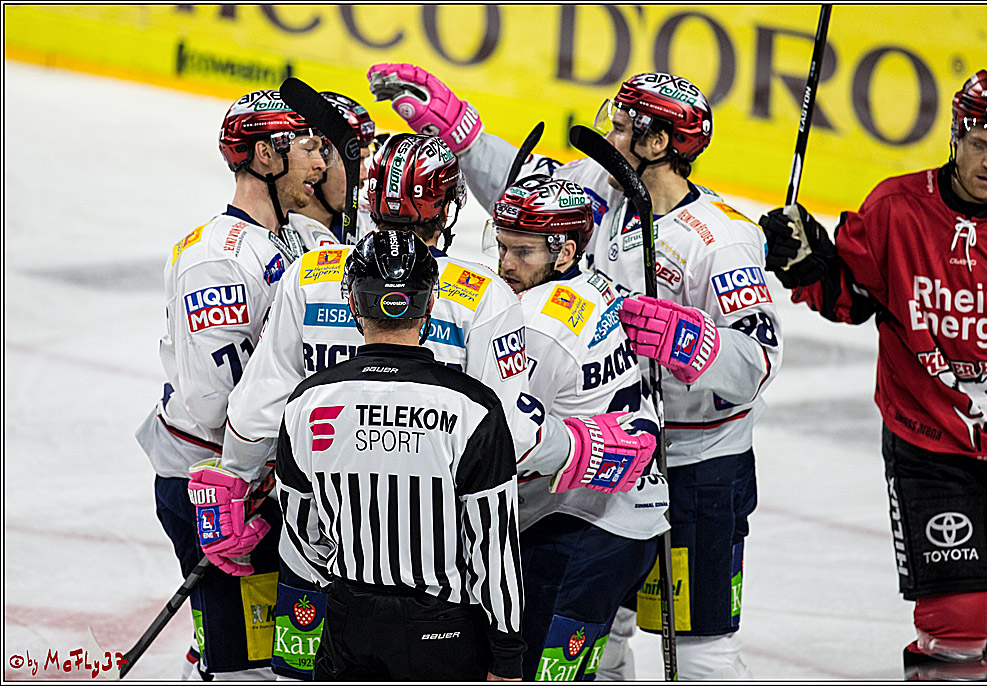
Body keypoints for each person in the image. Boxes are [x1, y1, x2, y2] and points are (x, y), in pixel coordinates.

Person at [368, 64, 783, 679]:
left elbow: (756, 363)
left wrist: (691, 341)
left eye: (620, 128)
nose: (607, 136)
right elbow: (531, 206)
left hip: (696, 464)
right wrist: (463, 136)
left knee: (701, 650)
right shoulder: (602, 182)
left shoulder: (719, 241)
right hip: (598, 464)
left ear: (657, 144)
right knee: (600, 642)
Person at [221, 132, 655, 678]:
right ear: (449, 207)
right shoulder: (481, 292)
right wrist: (588, 446)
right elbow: (509, 436)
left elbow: (257, 409)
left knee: (302, 676)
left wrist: (234, 478)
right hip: (435, 561)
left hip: (325, 546)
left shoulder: (309, 275)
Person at [757, 70, 987, 680]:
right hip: (927, 439)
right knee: (958, 624)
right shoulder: (898, 208)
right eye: (979, 143)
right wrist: (806, 266)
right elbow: (849, 298)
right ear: (955, 137)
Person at [134, 89, 335, 678]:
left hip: (270, 481)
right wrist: (235, 483)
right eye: (308, 149)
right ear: (267, 157)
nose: (321, 164)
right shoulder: (216, 259)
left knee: (286, 659)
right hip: (218, 488)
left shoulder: (299, 238)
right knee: (242, 668)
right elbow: (212, 397)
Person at [276, 228, 525, 680]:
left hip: (349, 620)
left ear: (353, 303)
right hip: (443, 630)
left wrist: (350, 579)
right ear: (428, 304)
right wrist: (506, 653)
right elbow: (494, 546)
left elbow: (299, 527)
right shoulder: (473, 406)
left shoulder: (307, 401)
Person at [485, 173, 670, 679]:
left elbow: (507, 440)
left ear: (563, 252)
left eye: (523, 251)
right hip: (629, 514)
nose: (505, 264)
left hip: (580, 530)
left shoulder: (536, 322)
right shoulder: (595, 284)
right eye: (501, 247)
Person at [287, 91, 377, 246]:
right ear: (320, 160)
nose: (364, 175)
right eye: (355, 162)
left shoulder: (369, 223)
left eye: (364, 160)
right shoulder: (278, 234)